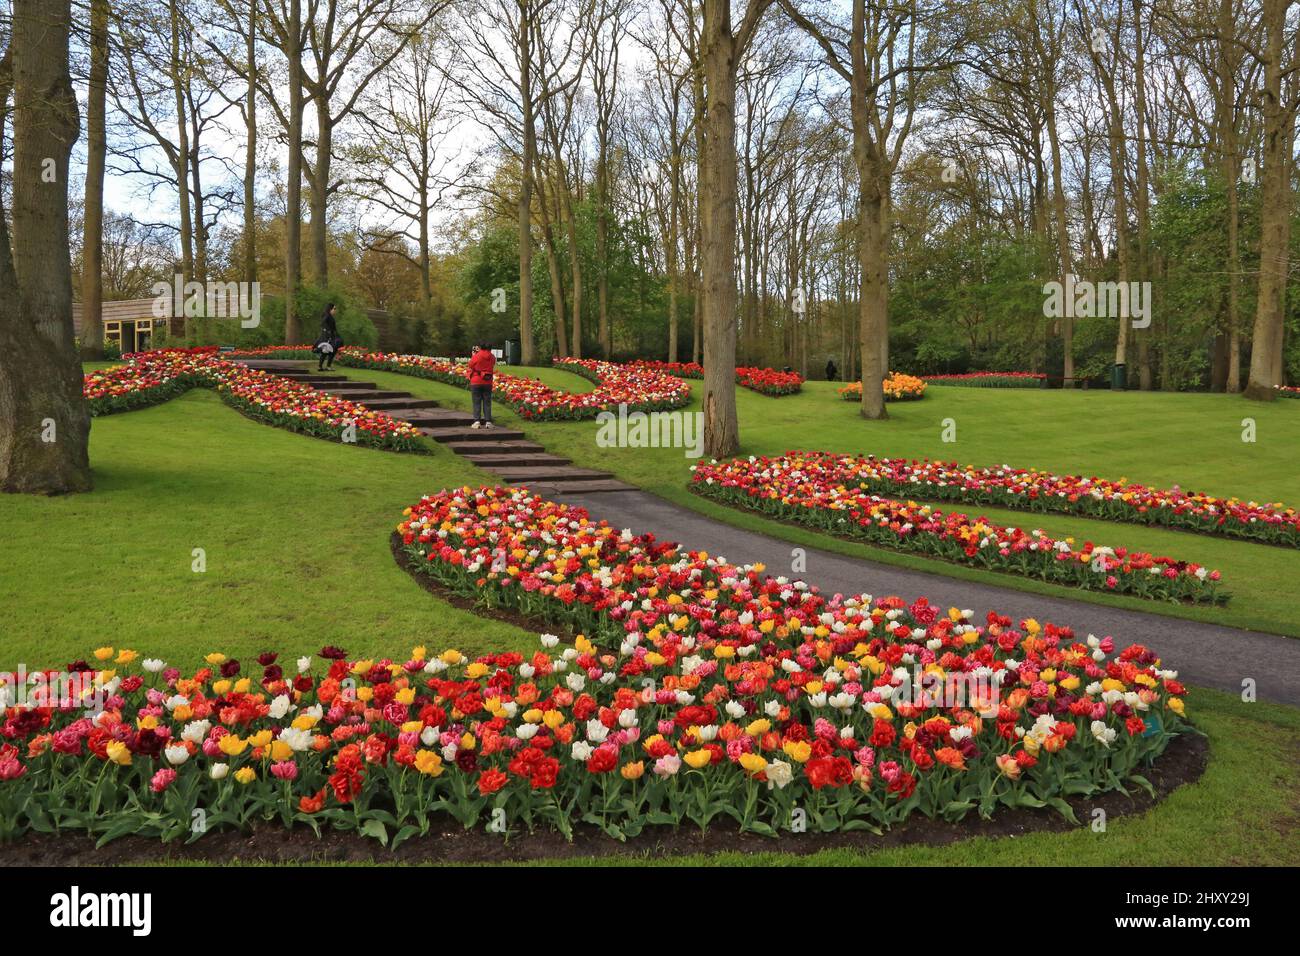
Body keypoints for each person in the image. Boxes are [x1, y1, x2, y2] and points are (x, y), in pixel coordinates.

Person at [468, 342, 496, 429]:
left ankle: (477, 422)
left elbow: (470, 365)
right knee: (487, 402)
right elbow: (492, 365)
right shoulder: (492, 357)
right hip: (488, 382)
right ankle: (488, 422)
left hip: (476, 381)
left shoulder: (477, 355)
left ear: (481, 347)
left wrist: (473, 355)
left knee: (476, 402)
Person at [314, 304, 343, 371]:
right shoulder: (327, 316)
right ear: (330, 309)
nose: (335, 310)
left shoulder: (330, 316)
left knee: (332, 351)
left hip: (332, 336)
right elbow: (323, 324)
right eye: (334, 308)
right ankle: (321, 366)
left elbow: (333, 328)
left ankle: (327, 366)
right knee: (326, 350)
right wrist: (328, 331)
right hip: (328, 337)